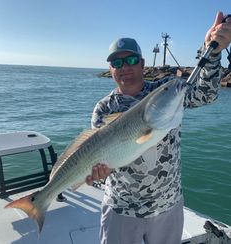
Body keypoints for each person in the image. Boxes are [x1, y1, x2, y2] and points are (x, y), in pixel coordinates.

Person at [86, 11, 231, 244]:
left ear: (142, 63)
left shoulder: (167, 91)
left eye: (131, 60)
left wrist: (212, 52)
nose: (125, 67)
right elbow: (104, 159)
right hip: (122, 209)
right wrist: (99, 173)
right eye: (117, 62)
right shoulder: (104, 108)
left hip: (168, 205)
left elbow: (206, 94)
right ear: (111, 68)